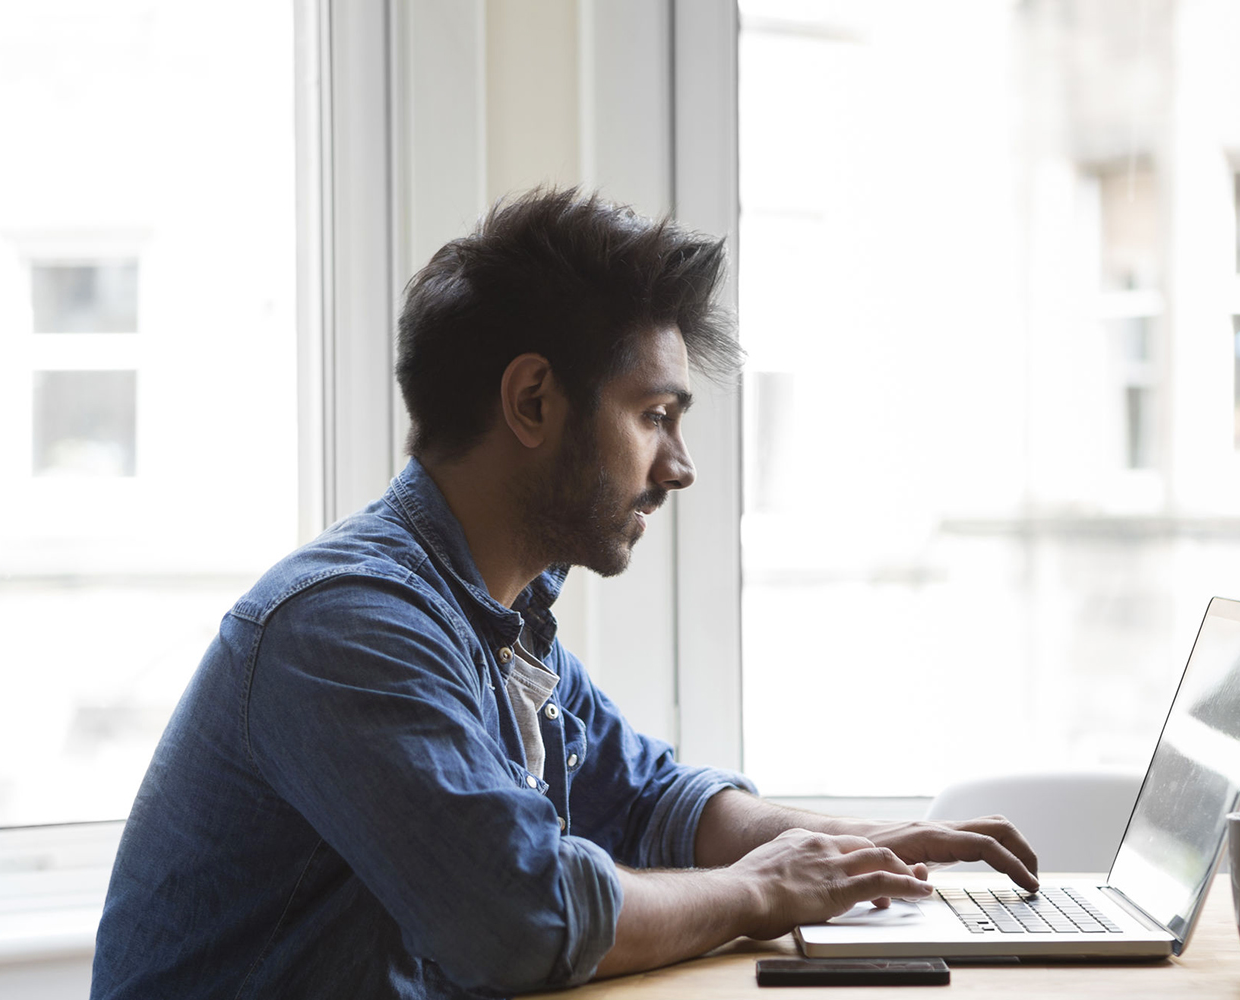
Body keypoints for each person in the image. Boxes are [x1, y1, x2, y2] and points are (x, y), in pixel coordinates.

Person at [90, 189, 1038, 999]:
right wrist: (764, 890)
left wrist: (861, 848)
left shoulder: (498, 621)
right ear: (533, 401)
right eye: (655, 415)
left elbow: (652, 802)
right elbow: (521, 916)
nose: (679, 467)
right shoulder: (349, 630)